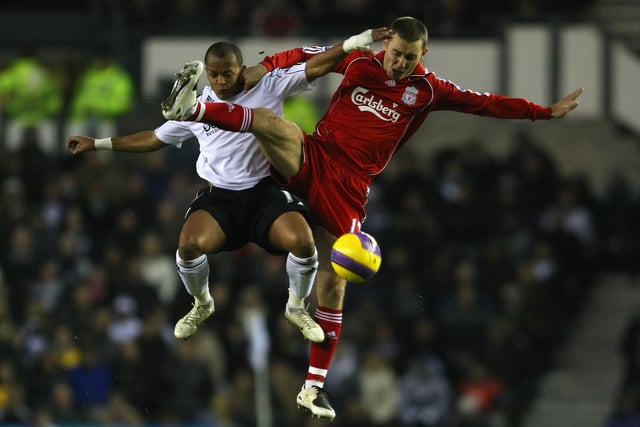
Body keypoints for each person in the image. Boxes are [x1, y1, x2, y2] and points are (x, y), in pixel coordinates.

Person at [161, 16, 583, 421]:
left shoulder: (429, 90)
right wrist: (267, 64)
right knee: (273, 124)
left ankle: (313, 385)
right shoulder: (359, 61)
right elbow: (311, 54)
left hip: (350, 185)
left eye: (410, 57)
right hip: (315, 154)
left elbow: (485, 103)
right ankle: (191, 111)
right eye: (396, 53)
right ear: (386, 45)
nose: (400, 63)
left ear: (424, 54)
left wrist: (542, 112)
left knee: (336, 278)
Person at [65, 36, 388, 347]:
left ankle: (297, 307)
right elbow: (153, 138)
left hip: (266, 192)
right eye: (214, 74)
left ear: (241, 68)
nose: (220, 81)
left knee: (304, 243)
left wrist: (347, 45)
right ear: (207, 73)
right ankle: (202, 303)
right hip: (221, 198)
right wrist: (98, 144)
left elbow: (314, 66)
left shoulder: (268, 84)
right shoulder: (196, 105)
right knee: (188, 246)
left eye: (227, 73)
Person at [66, 48, 135, 140]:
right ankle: (76, 153)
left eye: (103, 58)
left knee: (106, 133)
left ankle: (103, 153)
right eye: (98, 58)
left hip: (108, 118)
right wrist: (82, 109)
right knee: (74, 130)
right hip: (84, 117)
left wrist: (98, 108)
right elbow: (78, 99)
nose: (100, 61)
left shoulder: (119, 77)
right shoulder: (88, 76)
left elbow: (123, 103)